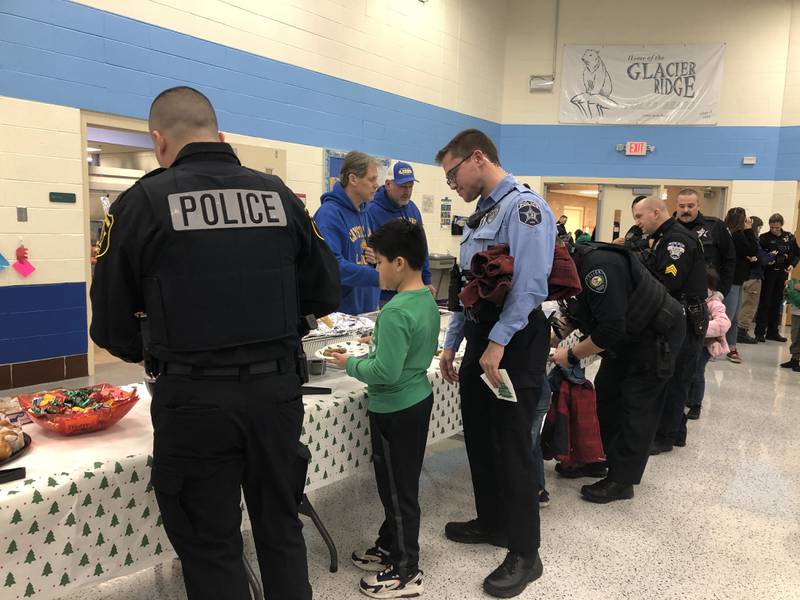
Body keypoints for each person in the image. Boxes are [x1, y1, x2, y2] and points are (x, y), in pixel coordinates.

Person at [89, 87, 341, 600]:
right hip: (276, 393)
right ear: (221, 136)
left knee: (210, 545)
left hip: (193, 403)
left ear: (159, 141)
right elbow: (326, 289)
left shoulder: (140, 203)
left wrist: (157, 340)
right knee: (280, 528)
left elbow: (110, 326)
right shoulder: (278, 197)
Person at [436, 129, 556, 598]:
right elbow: (469, 289)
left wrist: (498, 342)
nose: (451, 184)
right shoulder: (482, 213)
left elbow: (529, 286)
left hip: (515, 340)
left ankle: (526, 553)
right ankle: (492, 523)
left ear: (478, 158)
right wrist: (453, 343)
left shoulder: (525, 209)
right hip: (482, 336)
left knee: (513, 445)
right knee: (481, 438)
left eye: (452, 173)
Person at [327, 219, 439, 598]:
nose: (375, 270)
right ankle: (390, 546)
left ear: (400, 263)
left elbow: (385, 372)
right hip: (417, 400)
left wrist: (350, 364)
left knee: (397, 491)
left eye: (379, 263)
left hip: (395, 409)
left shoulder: (393, 312)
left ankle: (408, 570)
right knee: (400, 485)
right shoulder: (424, 298)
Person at [553, 241, 685, 502]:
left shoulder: (598, 268)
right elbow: (578, 311)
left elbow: (610, 328)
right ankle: (598, 460)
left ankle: (622, 481)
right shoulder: (574, 268)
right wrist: (552, 337)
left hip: (656, 336)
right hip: (626, 339)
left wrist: (570, 355)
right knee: (607, 397)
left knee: (636, 408)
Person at [633, 196, 706, 454]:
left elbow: (669, 283)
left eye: (639, 217)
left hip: (684, 315)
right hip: (682, 312)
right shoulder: (667, 235)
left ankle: (665, 436)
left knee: (674, 375)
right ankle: (676, 431)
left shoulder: (676, 240)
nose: (637, 223)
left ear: (655, 213)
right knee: (675, 372)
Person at [315, 151, 381, 315]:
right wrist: (379, 277)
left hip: (367, 309)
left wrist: (376, 258)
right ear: (353, 179)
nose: (376, 185)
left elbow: (365, 252)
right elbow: (333, 266)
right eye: (371, 179)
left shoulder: (365, 212)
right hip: (342, 314)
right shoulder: (328, 214)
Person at [367, 161, 435, 304]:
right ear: (388, 184)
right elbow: (367, 251)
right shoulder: (371, 211)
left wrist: (426, 280)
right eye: (402, 186)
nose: (407, 191)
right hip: (384, 294)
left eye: (411, 186)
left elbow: (422, 249)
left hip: (411, 291)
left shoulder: (413, 210)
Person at [674, 188, 736, 298]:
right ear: (676, 206)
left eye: (690, 206)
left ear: (698, 205)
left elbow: (729, 260)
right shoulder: (669, 229)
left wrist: (721, 291)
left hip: (709, 292)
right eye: (681, 206)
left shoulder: (715, 226)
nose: (685, 210)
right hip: (677, 294)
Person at [687, 267, 731, 420]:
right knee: (688, 370)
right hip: (692, 343)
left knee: (697, 372)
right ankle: (688, 397)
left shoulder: (714, 303)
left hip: (705, 345)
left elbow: (723, 323)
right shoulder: (692, 299)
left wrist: (700, 328)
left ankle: (696, 404)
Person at [755, 213, 800, 342]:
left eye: (777, 227)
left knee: (777, 302)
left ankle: (773, 332)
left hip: (782, 273)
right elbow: (759, 255)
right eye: (772, 227)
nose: (775, 230)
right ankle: (759, 332)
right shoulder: (764, 238)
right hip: (768, 274)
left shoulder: (789, 237)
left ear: (781, 225)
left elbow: (796, 254)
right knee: (765, 302)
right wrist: (767, 259)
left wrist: (792, 264)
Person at [725, 207, 759, 363]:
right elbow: (752, 249)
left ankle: (731, 347)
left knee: (733, 317)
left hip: (737, 280)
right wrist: (750, 230)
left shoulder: (734, 234)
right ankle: (720, 347)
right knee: (728, 317)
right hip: (731, 280)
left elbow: (752, 252)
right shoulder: (736, 234)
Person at [737, 216, 769, 343]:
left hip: (744, 277)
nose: (760, 232)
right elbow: (762, 259)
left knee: (742, 304)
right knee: (749, 306)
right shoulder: (753, 241)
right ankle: (742, 331)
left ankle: (739, 330)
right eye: (759, 228)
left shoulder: (741, 239)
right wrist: (771, 255)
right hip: (753, 277)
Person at [780, 274, 800, 371]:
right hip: (797, 310)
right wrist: (790, 284)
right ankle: (795, 359)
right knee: (795, 335)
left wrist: (796, 287)